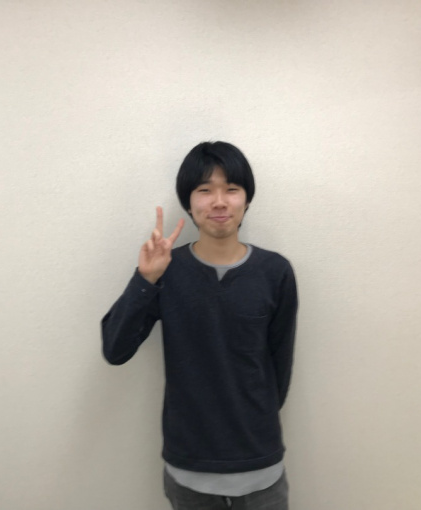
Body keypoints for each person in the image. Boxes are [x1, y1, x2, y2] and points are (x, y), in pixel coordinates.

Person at [101, 141, 298, 510]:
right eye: (205, 190)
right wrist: (146, 280)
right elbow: (115, 349)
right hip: (188, 469)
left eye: (231, 189)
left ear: (247, 200)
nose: (219, 202)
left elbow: (280, 366)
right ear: (189, 203)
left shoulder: (275, 272)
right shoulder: (166, 270)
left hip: (261, 467)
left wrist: (256, 424)